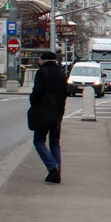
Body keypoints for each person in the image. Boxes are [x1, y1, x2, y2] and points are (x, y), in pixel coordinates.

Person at [28, 50, 68, 183]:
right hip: (58, 112)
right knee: (55, 142)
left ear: (43, 60)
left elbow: (37, 92)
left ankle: (53, 167)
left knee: (38, 141)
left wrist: (33, 101)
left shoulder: (42, 72)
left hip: (44, 112)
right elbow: (65, 94)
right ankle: (57, 172)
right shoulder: (62, 74)